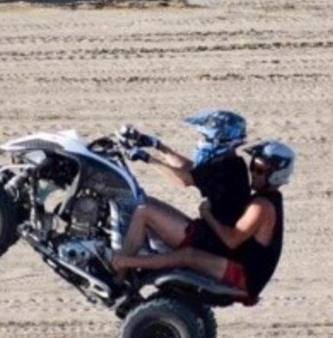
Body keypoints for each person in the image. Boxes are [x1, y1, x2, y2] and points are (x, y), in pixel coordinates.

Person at [102, 111, 295, 300]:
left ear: (275, 176)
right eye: (253, 166)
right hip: (213, 239)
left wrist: (146, 158)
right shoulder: (230, 164)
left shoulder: (261, 205)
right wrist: (157, 145)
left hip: (239, 269)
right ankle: (125, 265)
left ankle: (120, 270)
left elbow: (185, 181)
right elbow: (192, 170)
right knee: (145, 204)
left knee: (145, 213)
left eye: (260, 170)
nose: (253, 173)